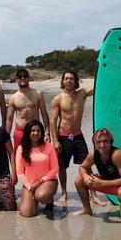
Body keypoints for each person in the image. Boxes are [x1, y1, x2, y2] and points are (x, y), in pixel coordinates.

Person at [50, 70, 104, 205]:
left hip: (78, 136)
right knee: (62, 167)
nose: (69, 81)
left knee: (87, 165)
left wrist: (104, 72)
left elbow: (99, 88)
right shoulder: (58, 99)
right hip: (63, 136)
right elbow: (53, 121)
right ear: (62, 81)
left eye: (71, 78)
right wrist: (55, 140)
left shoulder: (82, 93)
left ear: (76, 81)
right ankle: (64, 193)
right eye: (66, 78)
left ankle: (93, 194)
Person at [73, 128, 121, 224]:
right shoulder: (93, 154)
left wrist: (102, 183)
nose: (102, 145)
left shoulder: (117, 155)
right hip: (106, 184)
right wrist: (85, 176)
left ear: (111, 142)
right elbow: (82, 167)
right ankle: (87, 209)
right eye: (98, 142)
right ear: (94, 143)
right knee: (79, 180)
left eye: (105, 141)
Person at [16, 119, 59, 217]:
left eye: (38, 131)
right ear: (27, 132)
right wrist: (29, 186)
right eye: (32, 130)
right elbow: (20, 171)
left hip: (48, 181)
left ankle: (49, 201)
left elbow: (55, 168)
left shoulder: (48, 146)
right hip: (30, 184)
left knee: (41, 196)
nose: (36, 133)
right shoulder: (21, 149)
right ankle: (34, 200)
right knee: (27, 214)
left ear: (42, 132)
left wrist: (40, 182)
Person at [6, 68, 50, 150]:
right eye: (20, 76)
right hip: (20, 132)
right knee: (19, 158)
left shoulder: (38, 94)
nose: (22, 78)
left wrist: (47, 133)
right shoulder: (13, 98)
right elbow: (9, 119)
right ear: (16, 80)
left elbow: (44, 114)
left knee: (36, 157)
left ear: (28, 78)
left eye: (25, 76)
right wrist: (6, 136)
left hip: (35, 132)